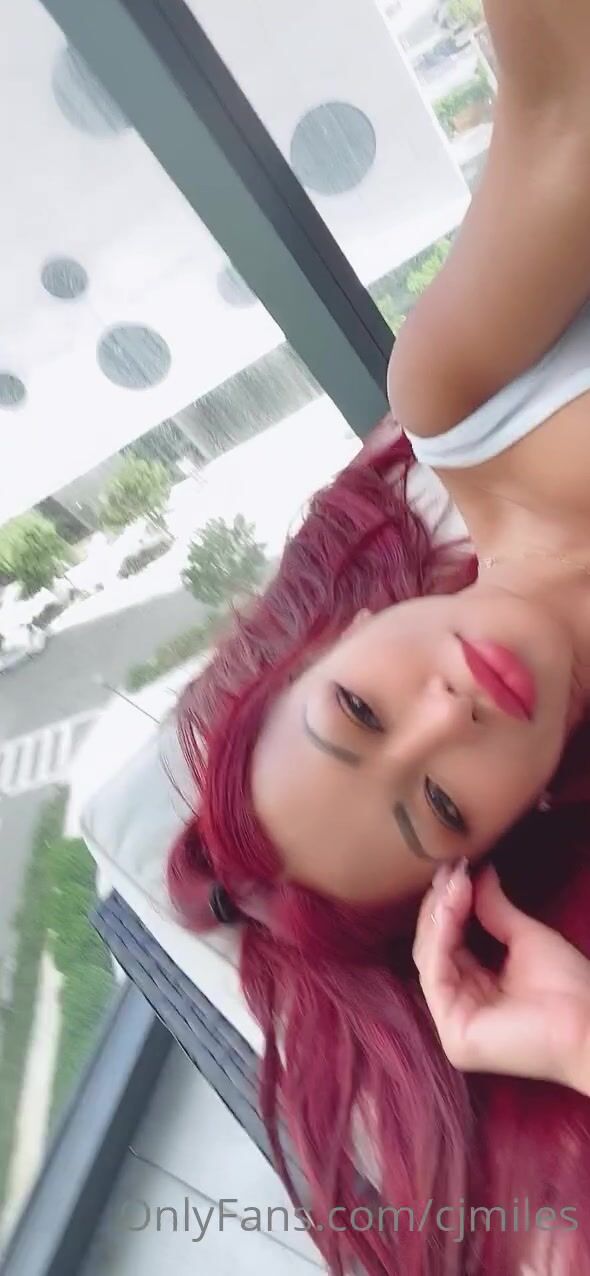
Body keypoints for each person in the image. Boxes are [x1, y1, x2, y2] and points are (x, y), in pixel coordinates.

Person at [167, 2, 590, 1272]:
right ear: (507, 828)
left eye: (358, 709)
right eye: (438, 806)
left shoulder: (464, 399)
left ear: (338, 633)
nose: (447, 712)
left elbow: (567, 103)